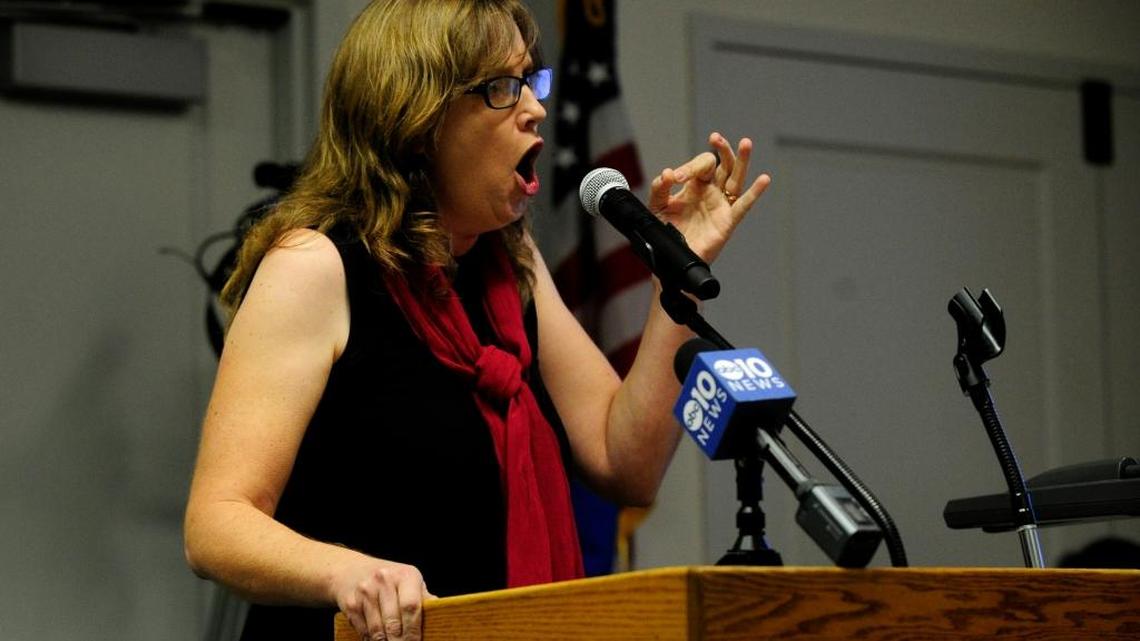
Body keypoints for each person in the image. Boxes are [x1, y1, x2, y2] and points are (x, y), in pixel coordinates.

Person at [182, 1, 770, 640]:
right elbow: (216, 524)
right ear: (418, 117)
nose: (535, 108)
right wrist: (346, 573)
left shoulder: (510, 266)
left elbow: (625, 462)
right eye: (502, 87)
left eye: (532, 81)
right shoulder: (314, 267)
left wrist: (675, 273)